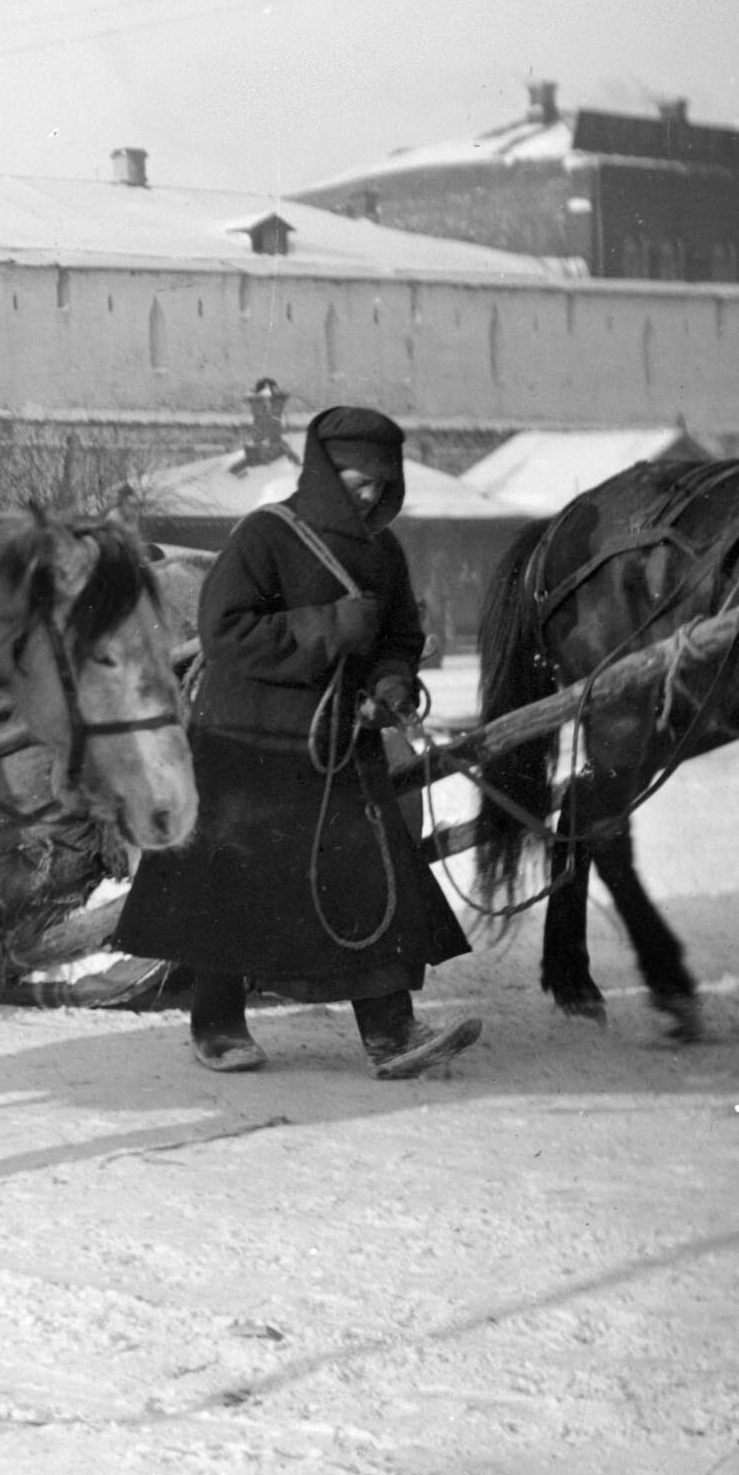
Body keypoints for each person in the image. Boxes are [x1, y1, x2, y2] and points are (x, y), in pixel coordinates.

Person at [111, 405, 481, 1079]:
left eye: (378, 483)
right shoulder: (266, 536)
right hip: (247, 739)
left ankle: (392, 1032)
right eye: (352, 480)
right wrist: (329, 627)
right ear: (320, 473)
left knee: (369, 879)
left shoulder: (383, 550)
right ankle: (217, 1024)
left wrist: (393, 682)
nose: (366, 494)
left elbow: (398, 636)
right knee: (230, 884)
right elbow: (224, 631)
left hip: (340, 744)